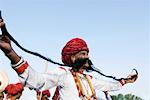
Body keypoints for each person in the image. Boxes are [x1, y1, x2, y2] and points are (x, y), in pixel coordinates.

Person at [0, 19, 137, 100]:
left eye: (87, 53)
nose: (87, 57)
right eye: (83, 54)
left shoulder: (89, 79)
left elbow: (109, 85)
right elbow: (37, 81)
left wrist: (126, 81)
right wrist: (10, 52)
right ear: (72, 57)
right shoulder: (63, 74)